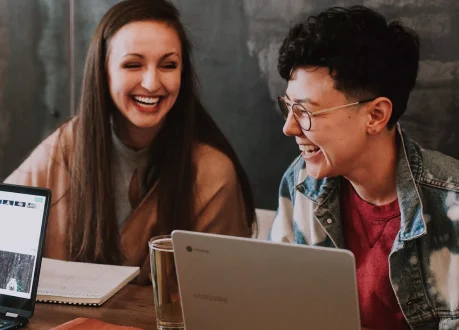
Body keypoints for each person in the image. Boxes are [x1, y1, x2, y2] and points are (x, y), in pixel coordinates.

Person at [5, 0, 255, 284]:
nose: (151, 83)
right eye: (133, 64)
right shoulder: (65, 147)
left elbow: (224, 294)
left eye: (168, 65)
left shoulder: (212, 173)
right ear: (103, 71)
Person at [269, 5, 459, 330]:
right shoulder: (301, 182)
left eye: (304, 111)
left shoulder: (452, 205)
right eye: (288, 106)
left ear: (375, 116)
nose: (289, 127)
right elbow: (275, 305)